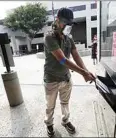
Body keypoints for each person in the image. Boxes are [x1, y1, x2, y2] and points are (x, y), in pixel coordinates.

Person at [43, 7, 96, 137]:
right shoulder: (49, 37)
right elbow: (62, 60)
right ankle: (49, 124)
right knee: (50, 106)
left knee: (65, 103)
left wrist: (86, 71)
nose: (68, 26)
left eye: (70, 23)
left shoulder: (68, 38)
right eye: (65, 22)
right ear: (57, 20)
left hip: (66, 78)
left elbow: (76, 55)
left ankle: (65, 121)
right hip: (51, 80)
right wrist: (83, 73)